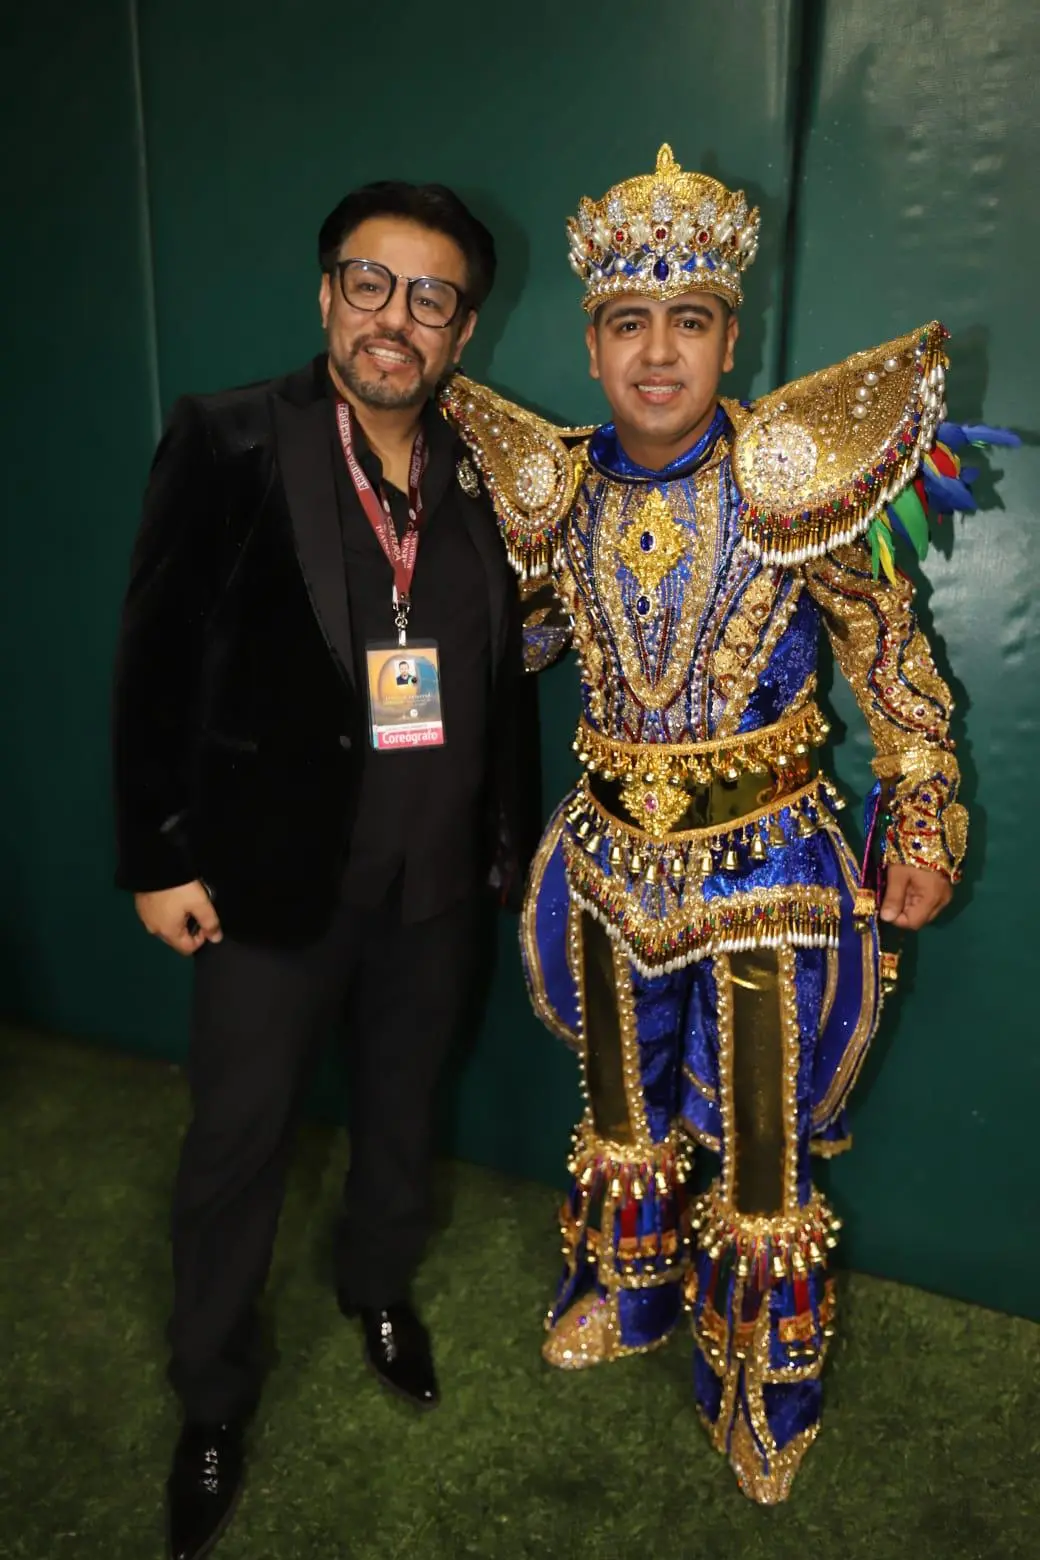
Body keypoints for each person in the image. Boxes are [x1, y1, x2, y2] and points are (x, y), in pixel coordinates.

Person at [439, 145, 1015, 1503]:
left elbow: (894, 664)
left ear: (727, 334)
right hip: (605, 864)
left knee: (763, 1154)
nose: (658, 354)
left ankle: (761, 1379)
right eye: (629, 325)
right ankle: (623, 1293)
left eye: (687, 322)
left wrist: (921, 819)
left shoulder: (793, 480)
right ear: (591, 346)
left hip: (765, 874)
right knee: (623, 1111)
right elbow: (503, 644)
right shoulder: (557, 494)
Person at [113, 180, 528, 1560]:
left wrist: (503, 844)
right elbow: (153, 663)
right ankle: (213, 1397)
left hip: (433, 885)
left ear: (463, 330)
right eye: (370, 282)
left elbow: (496, 677)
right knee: (236, 1148)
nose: (395, 318)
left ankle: (377, 1286)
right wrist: (155, 855)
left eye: (430, 296)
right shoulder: (229, 438)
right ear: (325, 296)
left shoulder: (479, 469)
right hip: (268, 883)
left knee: (403, 1112)